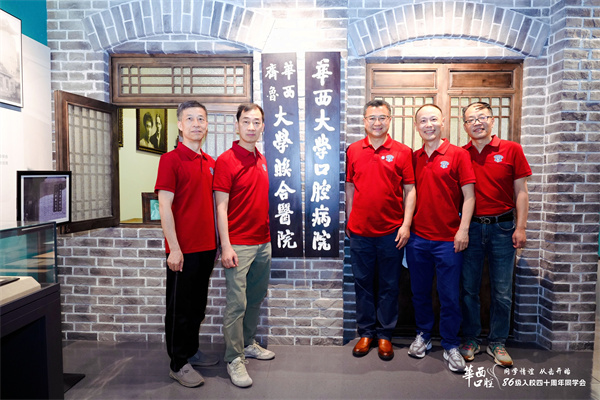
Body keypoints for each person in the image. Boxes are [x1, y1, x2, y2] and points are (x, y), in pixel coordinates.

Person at [459, 102, 531, 368]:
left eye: (482, 117)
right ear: (464, 125)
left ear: (492, 120)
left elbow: (521, 191)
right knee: (469, 288)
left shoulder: (511, 149)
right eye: (471, 119)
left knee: (502, 290)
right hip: (471, 227)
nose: (477, 123)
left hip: (503, 228)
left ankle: (497, 341)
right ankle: (471, 338)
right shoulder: (461, 154)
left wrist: (521, 227)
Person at [405, 104, 475, 373]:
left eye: (433, 119)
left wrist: (463, 229)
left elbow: (469, 196)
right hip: (418, 239)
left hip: (449, 240)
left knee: (449, 296)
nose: (428, 125)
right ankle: (423, 335)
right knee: (419, 293)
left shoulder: (458, 155)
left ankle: (450, 344)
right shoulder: (414, 157)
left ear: (443, 122)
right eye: (423, 121)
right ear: (417, 126)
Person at [154, 100, 219, 388]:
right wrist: (174, 248)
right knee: (179, 310)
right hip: (183, 250)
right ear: (180, 125)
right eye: (190, 119)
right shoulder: (170, 160)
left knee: (197, 307)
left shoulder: (210, 162)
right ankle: (178, 363)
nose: (196, 124)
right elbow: (164, 206)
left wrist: (218, 244)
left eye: (201, 119)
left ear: (207, 125)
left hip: (206, 249)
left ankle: (191, 350)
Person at [346, 99, 416, 361]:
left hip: (391, 233)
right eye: (372, 118)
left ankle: (385, 334)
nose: (377, 122)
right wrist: (349, 219)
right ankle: (366, 333)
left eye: (382, 117)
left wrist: (406, 225)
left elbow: (410, 190)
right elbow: (350, 186)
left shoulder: (403, 152)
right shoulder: (354, 150)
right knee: (362, 284)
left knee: (389, 285)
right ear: (364, 121)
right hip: (360, 233)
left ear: (390, 120)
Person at [213, 103, 274, 388]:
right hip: (238, 244)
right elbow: (221, 207)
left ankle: (248, 343)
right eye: (246, 121)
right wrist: (225, 246)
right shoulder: (226, 160)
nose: (251, 127)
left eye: (256, 122)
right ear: (237, 125)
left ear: (263, 126)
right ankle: (234, 358)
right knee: (237, 303)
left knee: (255, 297)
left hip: (263, 242)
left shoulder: (261, 158)